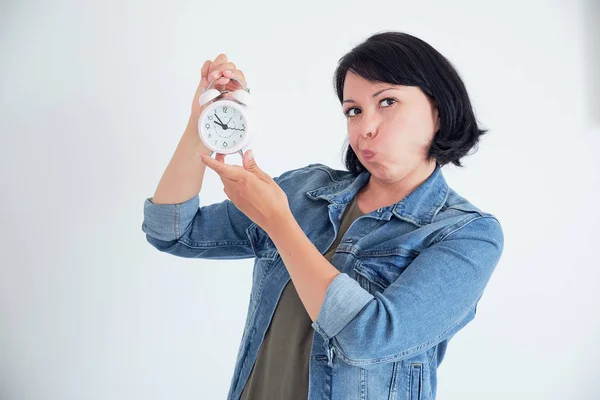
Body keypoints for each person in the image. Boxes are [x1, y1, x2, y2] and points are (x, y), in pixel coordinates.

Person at [141, 31, 504, 400]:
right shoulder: (306, 193)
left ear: (438, 110)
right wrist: (204, 123)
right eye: (353, 110)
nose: (365, 128)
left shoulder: (466, 235)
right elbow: (172, 231)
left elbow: (365, 338)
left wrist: (279, 224)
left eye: (388, 102)